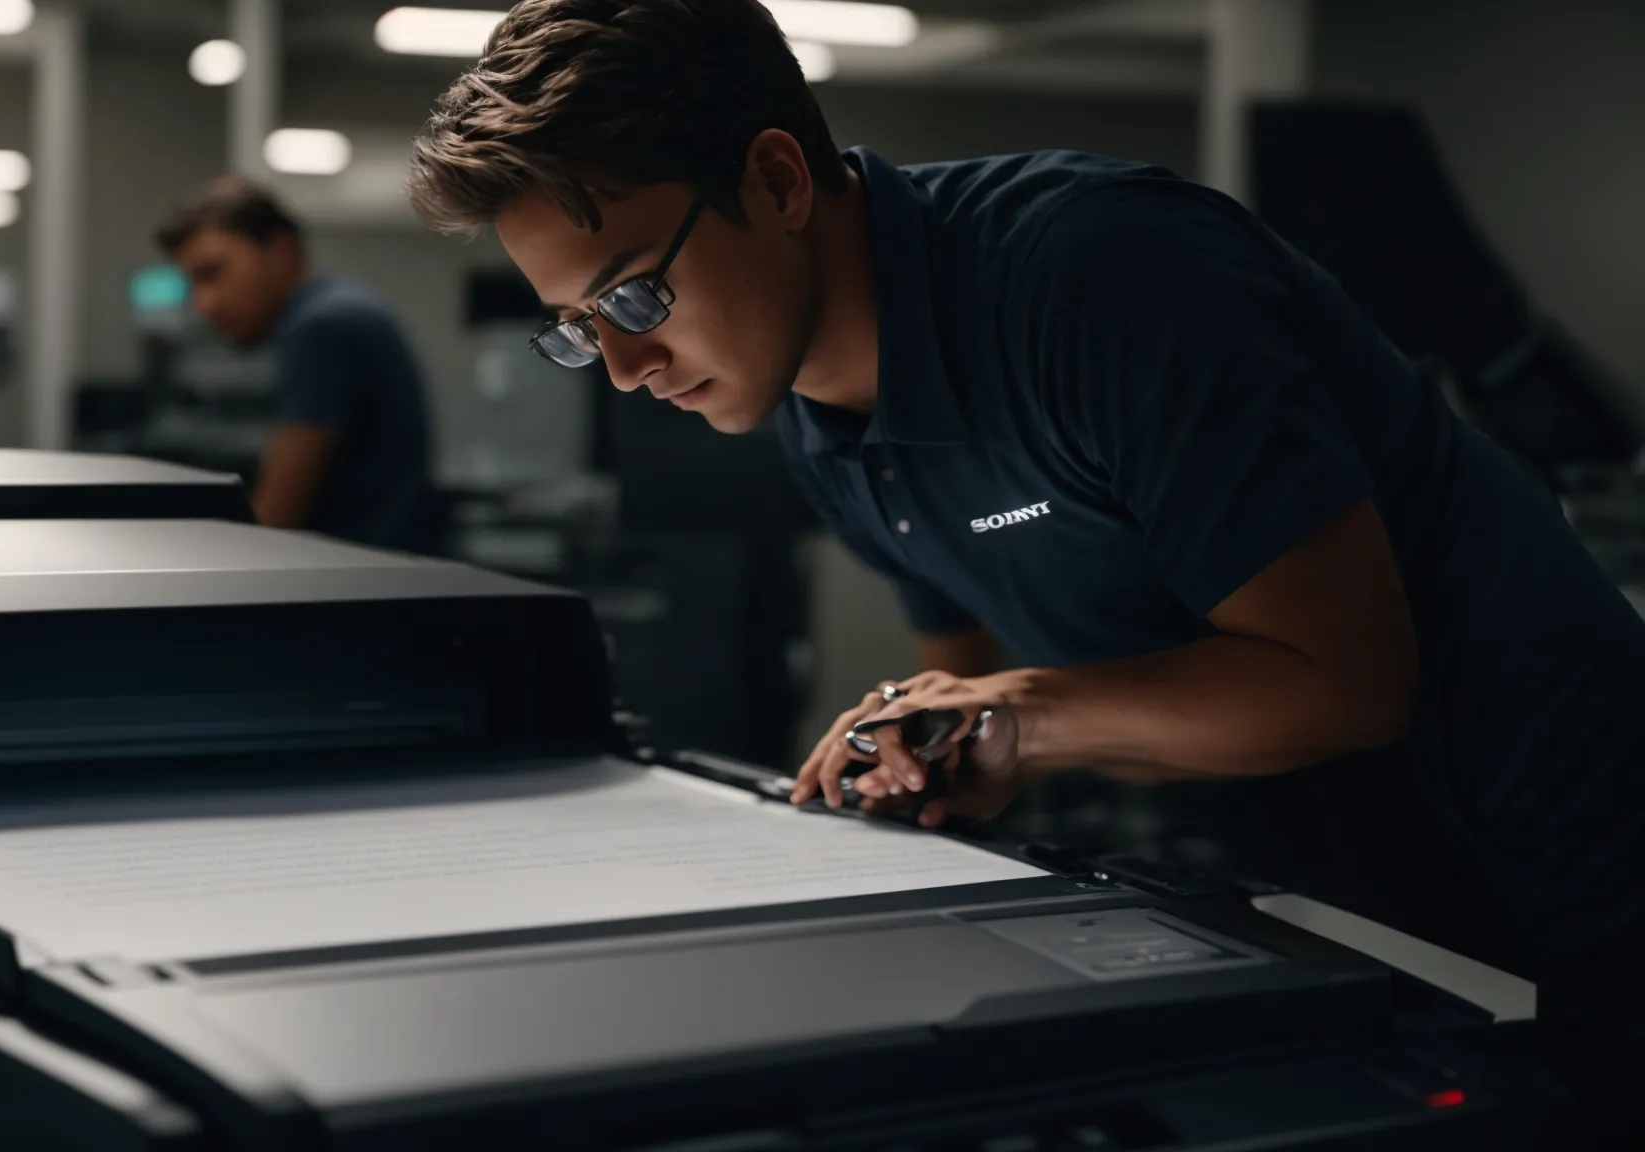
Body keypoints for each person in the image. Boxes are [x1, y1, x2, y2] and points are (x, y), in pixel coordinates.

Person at [404, 0, 1645, 1139]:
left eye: (631, 301)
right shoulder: (815, 420)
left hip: (1564, 843)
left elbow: (1342, 681)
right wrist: (936, 761)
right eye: (578, 332)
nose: (624, 371)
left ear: (775, 178)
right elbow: (977, 676)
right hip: (1329, 861)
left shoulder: (1097, 279)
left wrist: (1016, 717)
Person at [156, 176, 445, 554]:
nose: (203, 303)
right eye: (193, 283)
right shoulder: (337, 308)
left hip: (362, 591)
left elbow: (275, 519)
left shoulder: (323, 327)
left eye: (214, 273)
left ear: (280, 249)